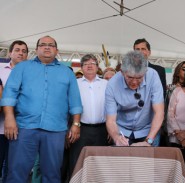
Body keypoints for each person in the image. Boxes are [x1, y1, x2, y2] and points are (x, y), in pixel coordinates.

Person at [0, 36, 82, 183]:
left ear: (56, 50)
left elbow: (75, 101)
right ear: (36, 49)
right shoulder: (22, 68)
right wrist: (9, 118)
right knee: (16, 173)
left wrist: (76, 124)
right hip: (24, 128)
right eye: (43, 45)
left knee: (52, 175)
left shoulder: (67, 72)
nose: (47, 47)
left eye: (51, 45)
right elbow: (9, 93)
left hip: (55, 130)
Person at [105, 51, 164, 147]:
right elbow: (111, 120)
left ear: (145, 72)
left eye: (139, 78)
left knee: (148, 161)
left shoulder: (153, 76)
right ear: (122, 72)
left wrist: (148, 141)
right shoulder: (112, 84)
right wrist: (116, 138)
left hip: (149, 129)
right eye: (130, 77)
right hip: (122, 131)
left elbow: (159, 112)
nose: (134, 82)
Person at [69, 54, 108, 177]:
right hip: (80, 129)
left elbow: (113, 107)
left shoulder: (106, 84)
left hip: (103, 129)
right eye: (86, 64)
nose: (89, 66)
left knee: (100, 163)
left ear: (97, 67)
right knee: (77, 161)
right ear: (81, 68)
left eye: (93, 63)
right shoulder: (75, 84)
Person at [0, 40, 28, 183]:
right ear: (10, 53)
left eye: (24, 51)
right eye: (17, 50)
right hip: (0, 128)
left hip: (21, 128)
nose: (20, 53)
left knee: (13, 168)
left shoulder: (31, 73)